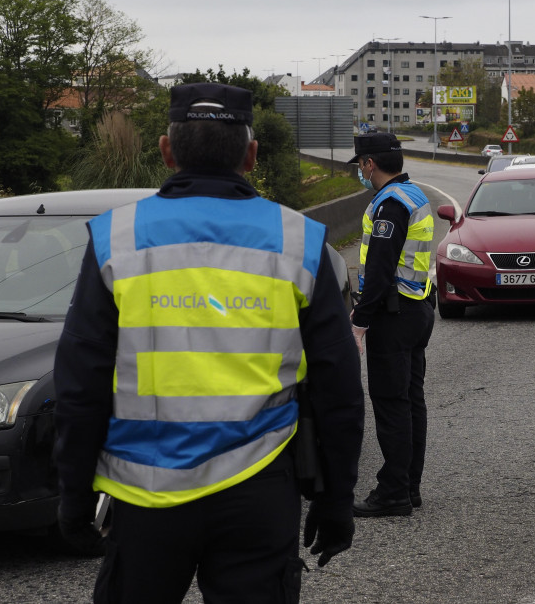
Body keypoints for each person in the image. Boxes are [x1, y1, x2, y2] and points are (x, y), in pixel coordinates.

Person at [53, 83, 364, 604]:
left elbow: (80, 383)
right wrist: (337, 499)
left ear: (166, 150)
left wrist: (74, 496)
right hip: (260, 486)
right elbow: (337, 384)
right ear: (252, 153)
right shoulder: (300, 240)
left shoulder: (116, 238)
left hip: (146, 495)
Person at [347, 132, 435, 518]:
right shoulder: (414, 194)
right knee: (411, 401)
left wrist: (361, 321)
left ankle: (394, 491)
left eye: (361, 166)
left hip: (393, 313)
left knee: (391, 404)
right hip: (417, 308)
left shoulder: (390, 204)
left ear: (370, 164)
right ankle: (409, 486)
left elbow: (381, 269)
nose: (361, 173)